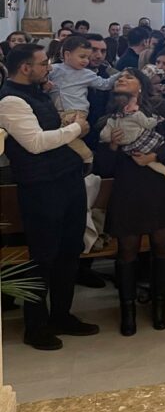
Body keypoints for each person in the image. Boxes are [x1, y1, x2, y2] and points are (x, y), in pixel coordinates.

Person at [0, 43, 99, 349]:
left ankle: (61, 315)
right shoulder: (11, 100)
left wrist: (66, 125)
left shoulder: (38, 92)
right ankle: (36, 326)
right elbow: (36, 143)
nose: (49, 67)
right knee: (43, 257)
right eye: (43, 63)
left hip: (66, 180)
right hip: (41, 187)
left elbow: (50, 129)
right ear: (25, 68)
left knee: (69, 252)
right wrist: (76, 129)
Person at [95, 70, 165, 335]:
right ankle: (128, 311)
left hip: (159, 184)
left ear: (141, 85)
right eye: (119, 78)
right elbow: (103, 166)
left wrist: (155, 156)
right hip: (127, 187)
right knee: (127, 248)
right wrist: (112, 146)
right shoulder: (109, 116)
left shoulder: (158, 106)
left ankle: (160, 306)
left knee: (162, 243)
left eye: (128, 77)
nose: (121, 79)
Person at [48, 35, 123, 167]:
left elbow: (104, 84)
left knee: (68, 136)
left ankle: (87, 157)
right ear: (67, 55)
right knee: (63, 137)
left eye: (87, 58)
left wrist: (120, 74)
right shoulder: (55, 69)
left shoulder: (88, 74)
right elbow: (41, 78)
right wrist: (45, 84)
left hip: (78, 113)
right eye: (82, 56)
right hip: (58, 111)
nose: (86, 61)